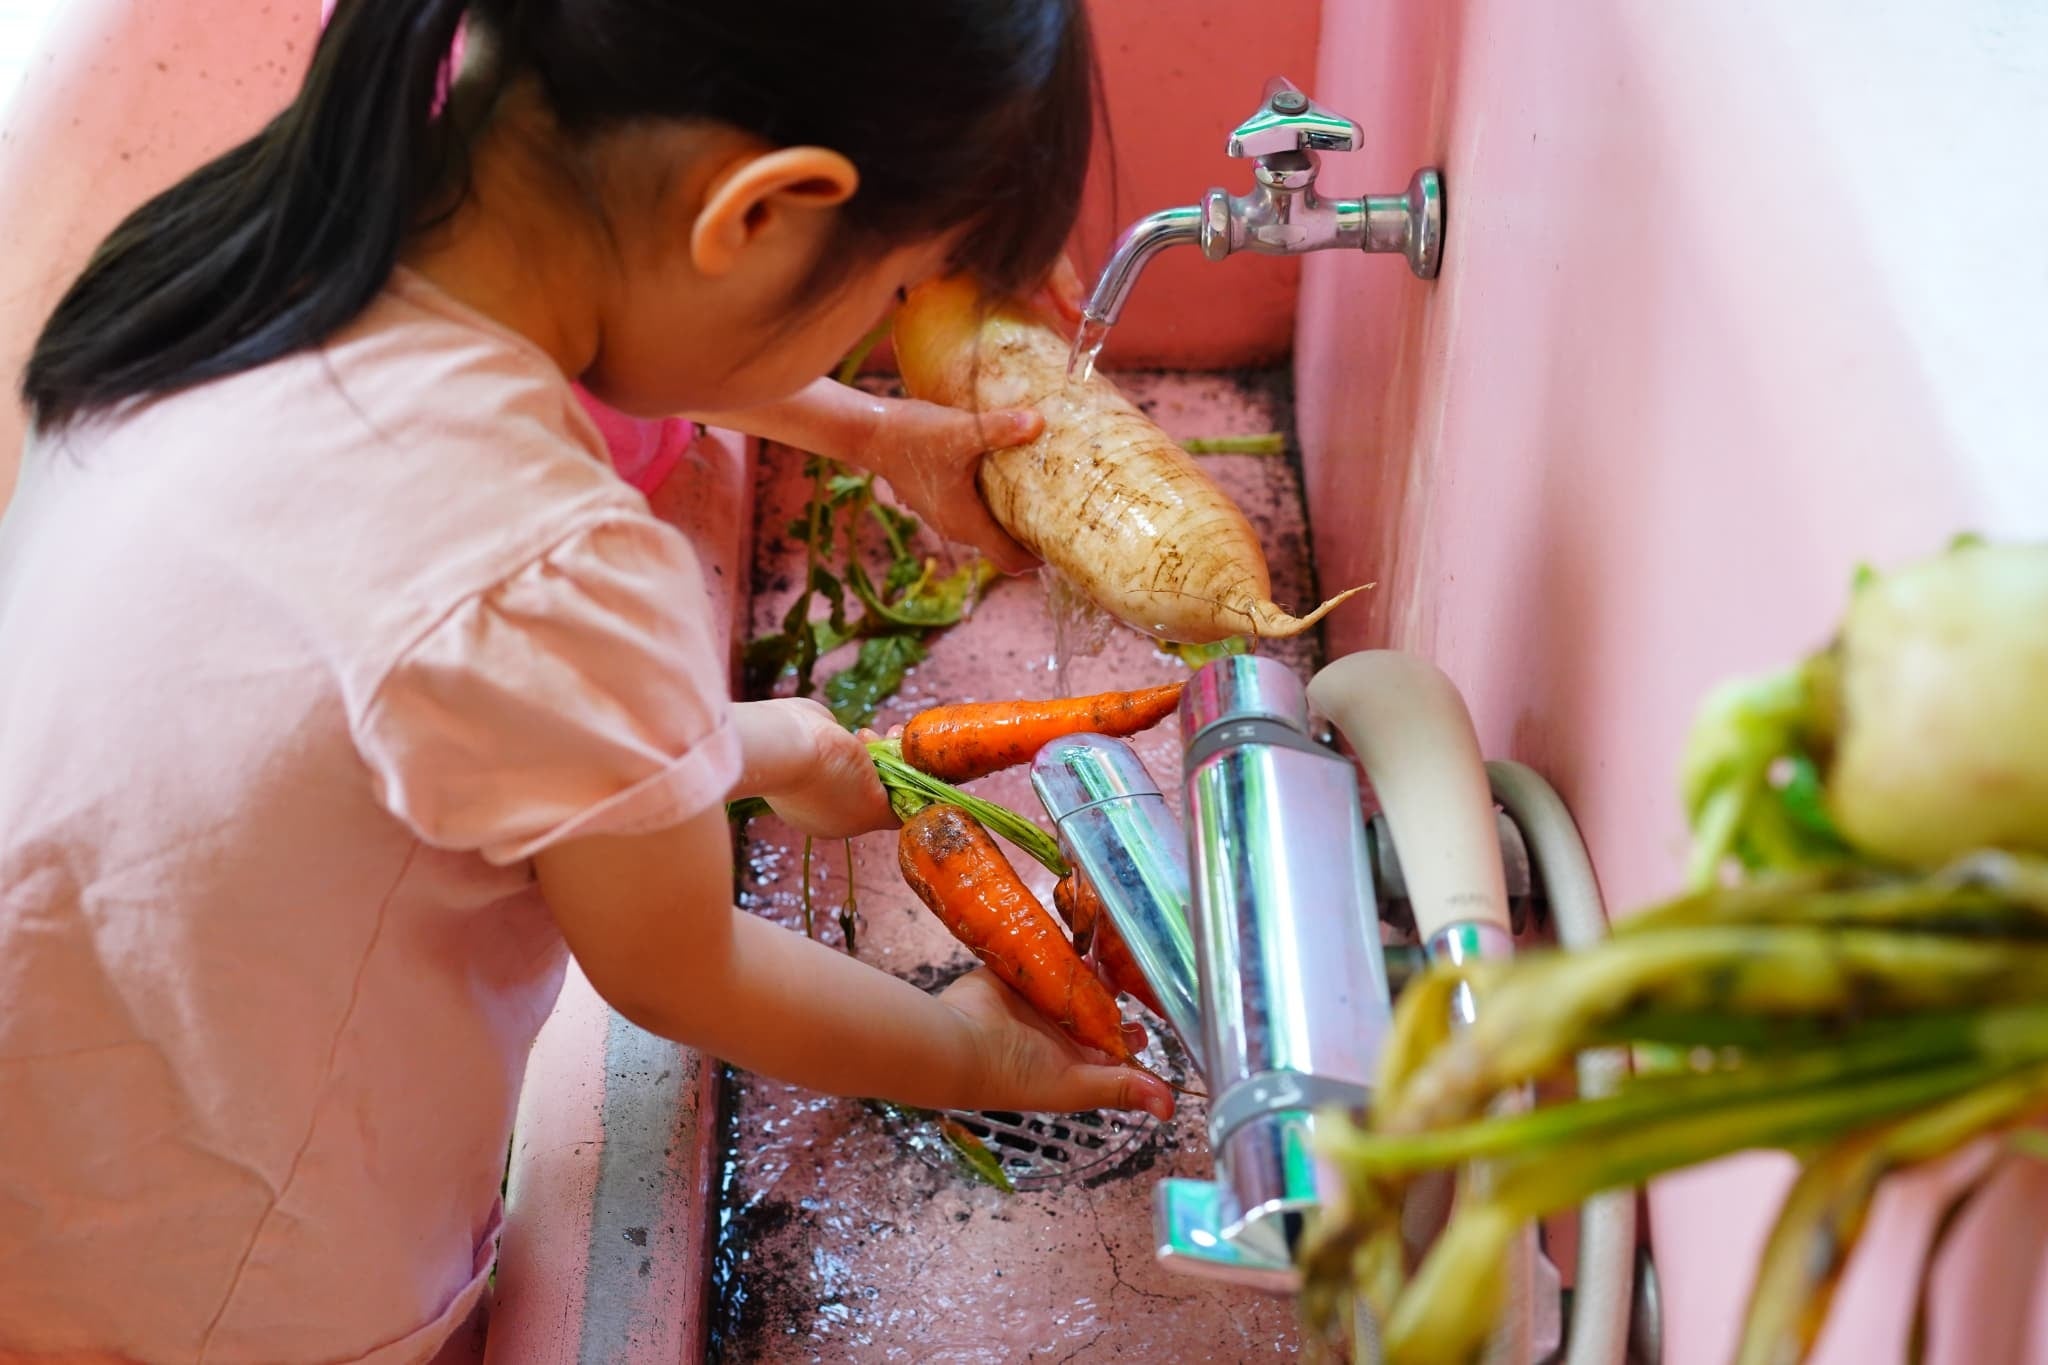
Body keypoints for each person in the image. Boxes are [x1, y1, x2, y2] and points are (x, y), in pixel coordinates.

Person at [0, 1, 1168, 1361]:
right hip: (223, 1299)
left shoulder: (238, 255)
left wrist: (743, 743)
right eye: (887, 293)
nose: (870, 340)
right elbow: (684, 971)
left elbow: (353, 711)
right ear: (760, 215)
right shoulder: (557, 554)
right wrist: (987, 1057)